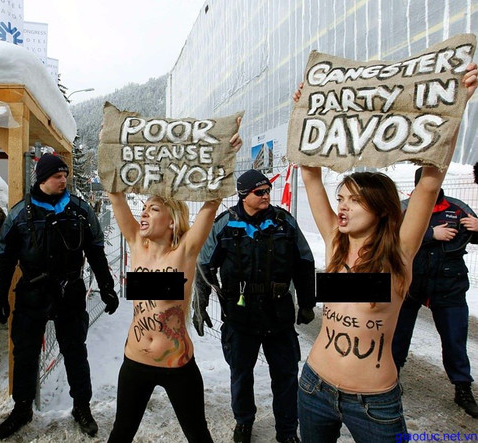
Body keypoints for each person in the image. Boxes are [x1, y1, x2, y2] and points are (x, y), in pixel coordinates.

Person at [294, 62, 477, 442]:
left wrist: (455, 108)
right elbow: (310, 174)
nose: (342, 207)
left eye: (354, 201)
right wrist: (303, 112)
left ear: (380, 209)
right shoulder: (335, 242)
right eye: (340, 199)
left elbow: (429, 184)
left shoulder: (400, 254)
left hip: (373, 403)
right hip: (314, 387)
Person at [105, 124, 243, 443]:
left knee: (198, 435)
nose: (144, 213)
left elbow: (211, 202)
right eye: (143, 208)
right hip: (135, 362)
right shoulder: (136, 244)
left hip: (177, 364)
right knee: (121, 433)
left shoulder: (185, 252)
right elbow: (115, 194)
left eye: (153, 209)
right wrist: (108, 144)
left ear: (171, 220)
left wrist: (225, 157)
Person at [0, 153, 119, 440]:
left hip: (69, 293)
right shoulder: (19, 214)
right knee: (25, 353)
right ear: (42, 179)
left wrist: (107, 286)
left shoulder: (79, 210)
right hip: (32, 293)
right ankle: (22, 408)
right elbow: (5, 258)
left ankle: (81, 407)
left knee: (75, 351)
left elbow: (96, 251)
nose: (63, 180)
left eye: (65, 176)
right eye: (57, 176)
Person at [193, 169, 316, 443]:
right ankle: (244, 422)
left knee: (286, 375)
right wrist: (200, 304)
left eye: (267, 190)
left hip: (278, 315)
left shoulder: (284, 222)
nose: (266, 196)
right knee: (241, 375)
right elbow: (203, 264)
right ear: (243, 195)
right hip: (240, 316)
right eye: (259, 192)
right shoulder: (225, 224)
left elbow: (305, 262)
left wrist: (308, 302)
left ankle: (287, 430)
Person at [392, 167, 478, 418]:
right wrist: (431, 233)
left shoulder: (458, 208)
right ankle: (391, 381)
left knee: (455, 339)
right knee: (397, 337)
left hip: (448, 286)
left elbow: (473, 237)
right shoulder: (402, 209)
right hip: (409, 284)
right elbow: (388, 237)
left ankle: (462, 388)